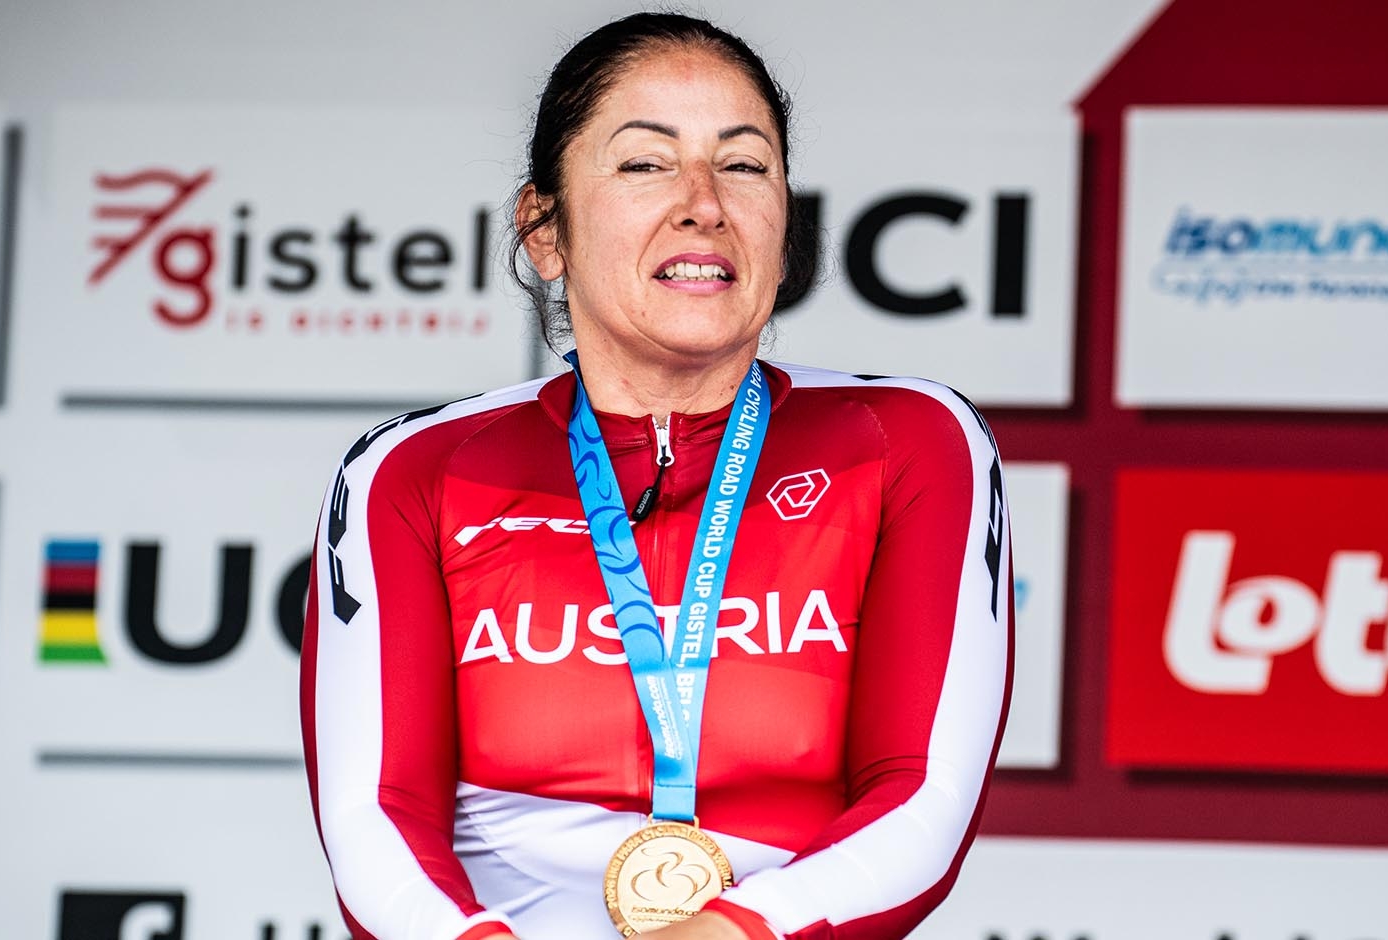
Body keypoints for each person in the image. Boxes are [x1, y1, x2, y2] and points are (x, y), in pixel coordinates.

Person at [301, 12, 1012, 940]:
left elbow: (924, 797)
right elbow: (376, 812)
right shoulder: (414, 471)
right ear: (543, 228)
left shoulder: (905, 441)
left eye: (745, 165)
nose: (703, 203)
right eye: (645, 163)